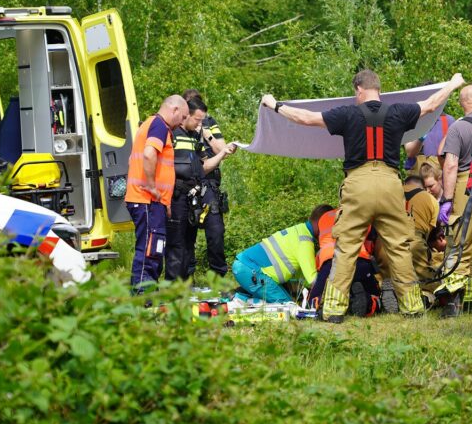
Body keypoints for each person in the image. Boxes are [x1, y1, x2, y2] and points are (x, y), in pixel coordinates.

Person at [261, 70, 465, 322]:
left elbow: (306, 118)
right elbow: (431, 105)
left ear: (359, 89)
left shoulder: (347, 114)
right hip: (391, 185)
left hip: (358, 185)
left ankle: (333, 310)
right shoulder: (398, 112)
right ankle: (412, 307)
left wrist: (275, 105)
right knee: (399, 248)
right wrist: (453, 84)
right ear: (378, 89)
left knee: (347, 247)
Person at [165, 96, 234, 282]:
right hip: (176, 194)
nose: (200, 124)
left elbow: (204, 166)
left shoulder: (196, 136)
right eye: (197, 120)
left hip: (196, 192)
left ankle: (215, 280)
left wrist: (222, 153)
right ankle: (176, 285)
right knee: (179, 243)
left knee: (211, 232)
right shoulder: (170, 133)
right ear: (186, 115)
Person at [435, 83, 472, 317]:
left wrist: (447, 199)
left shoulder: (458, 127)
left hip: (467, 187)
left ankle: (453, 305)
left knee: (459, 244)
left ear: (461, 103)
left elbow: (449, 164)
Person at [126, 95, 188, 293]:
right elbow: (149, 154)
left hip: (153, 202)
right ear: (174, 109)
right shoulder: (159, 125)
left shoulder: (154, 125)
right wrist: (152, 187)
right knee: (150, 248)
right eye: (183, 117)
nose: (182, 123)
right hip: (147, 199)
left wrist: (165, 202)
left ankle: (147, 292)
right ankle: (142, 295)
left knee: (154, 247)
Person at [231, 205, 329, 304]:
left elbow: (302, 277)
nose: (328, 232)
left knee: (288, 302)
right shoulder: (305, 242)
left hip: (247, 267)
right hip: (252, 270)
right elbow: (313, 281)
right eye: (328, 227)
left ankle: (238, 297)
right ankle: (239, 300)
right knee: (288, 307)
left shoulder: (299, 230)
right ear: (321, 222)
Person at [308, 207, 380, 316]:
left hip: (330, 262)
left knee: (313, 300)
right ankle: (368, 301)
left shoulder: (324, 218)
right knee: (375, 294)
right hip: (359, 259)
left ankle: (322, 304)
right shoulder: (361, 213)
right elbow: (370, 244)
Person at [401, 173, 445, 297]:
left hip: (387, 240)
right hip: (415, 240)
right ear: (423, 187)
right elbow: (430, 234)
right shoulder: (429, 198)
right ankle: (430, 296)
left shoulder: (392, 193)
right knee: (427, 280)